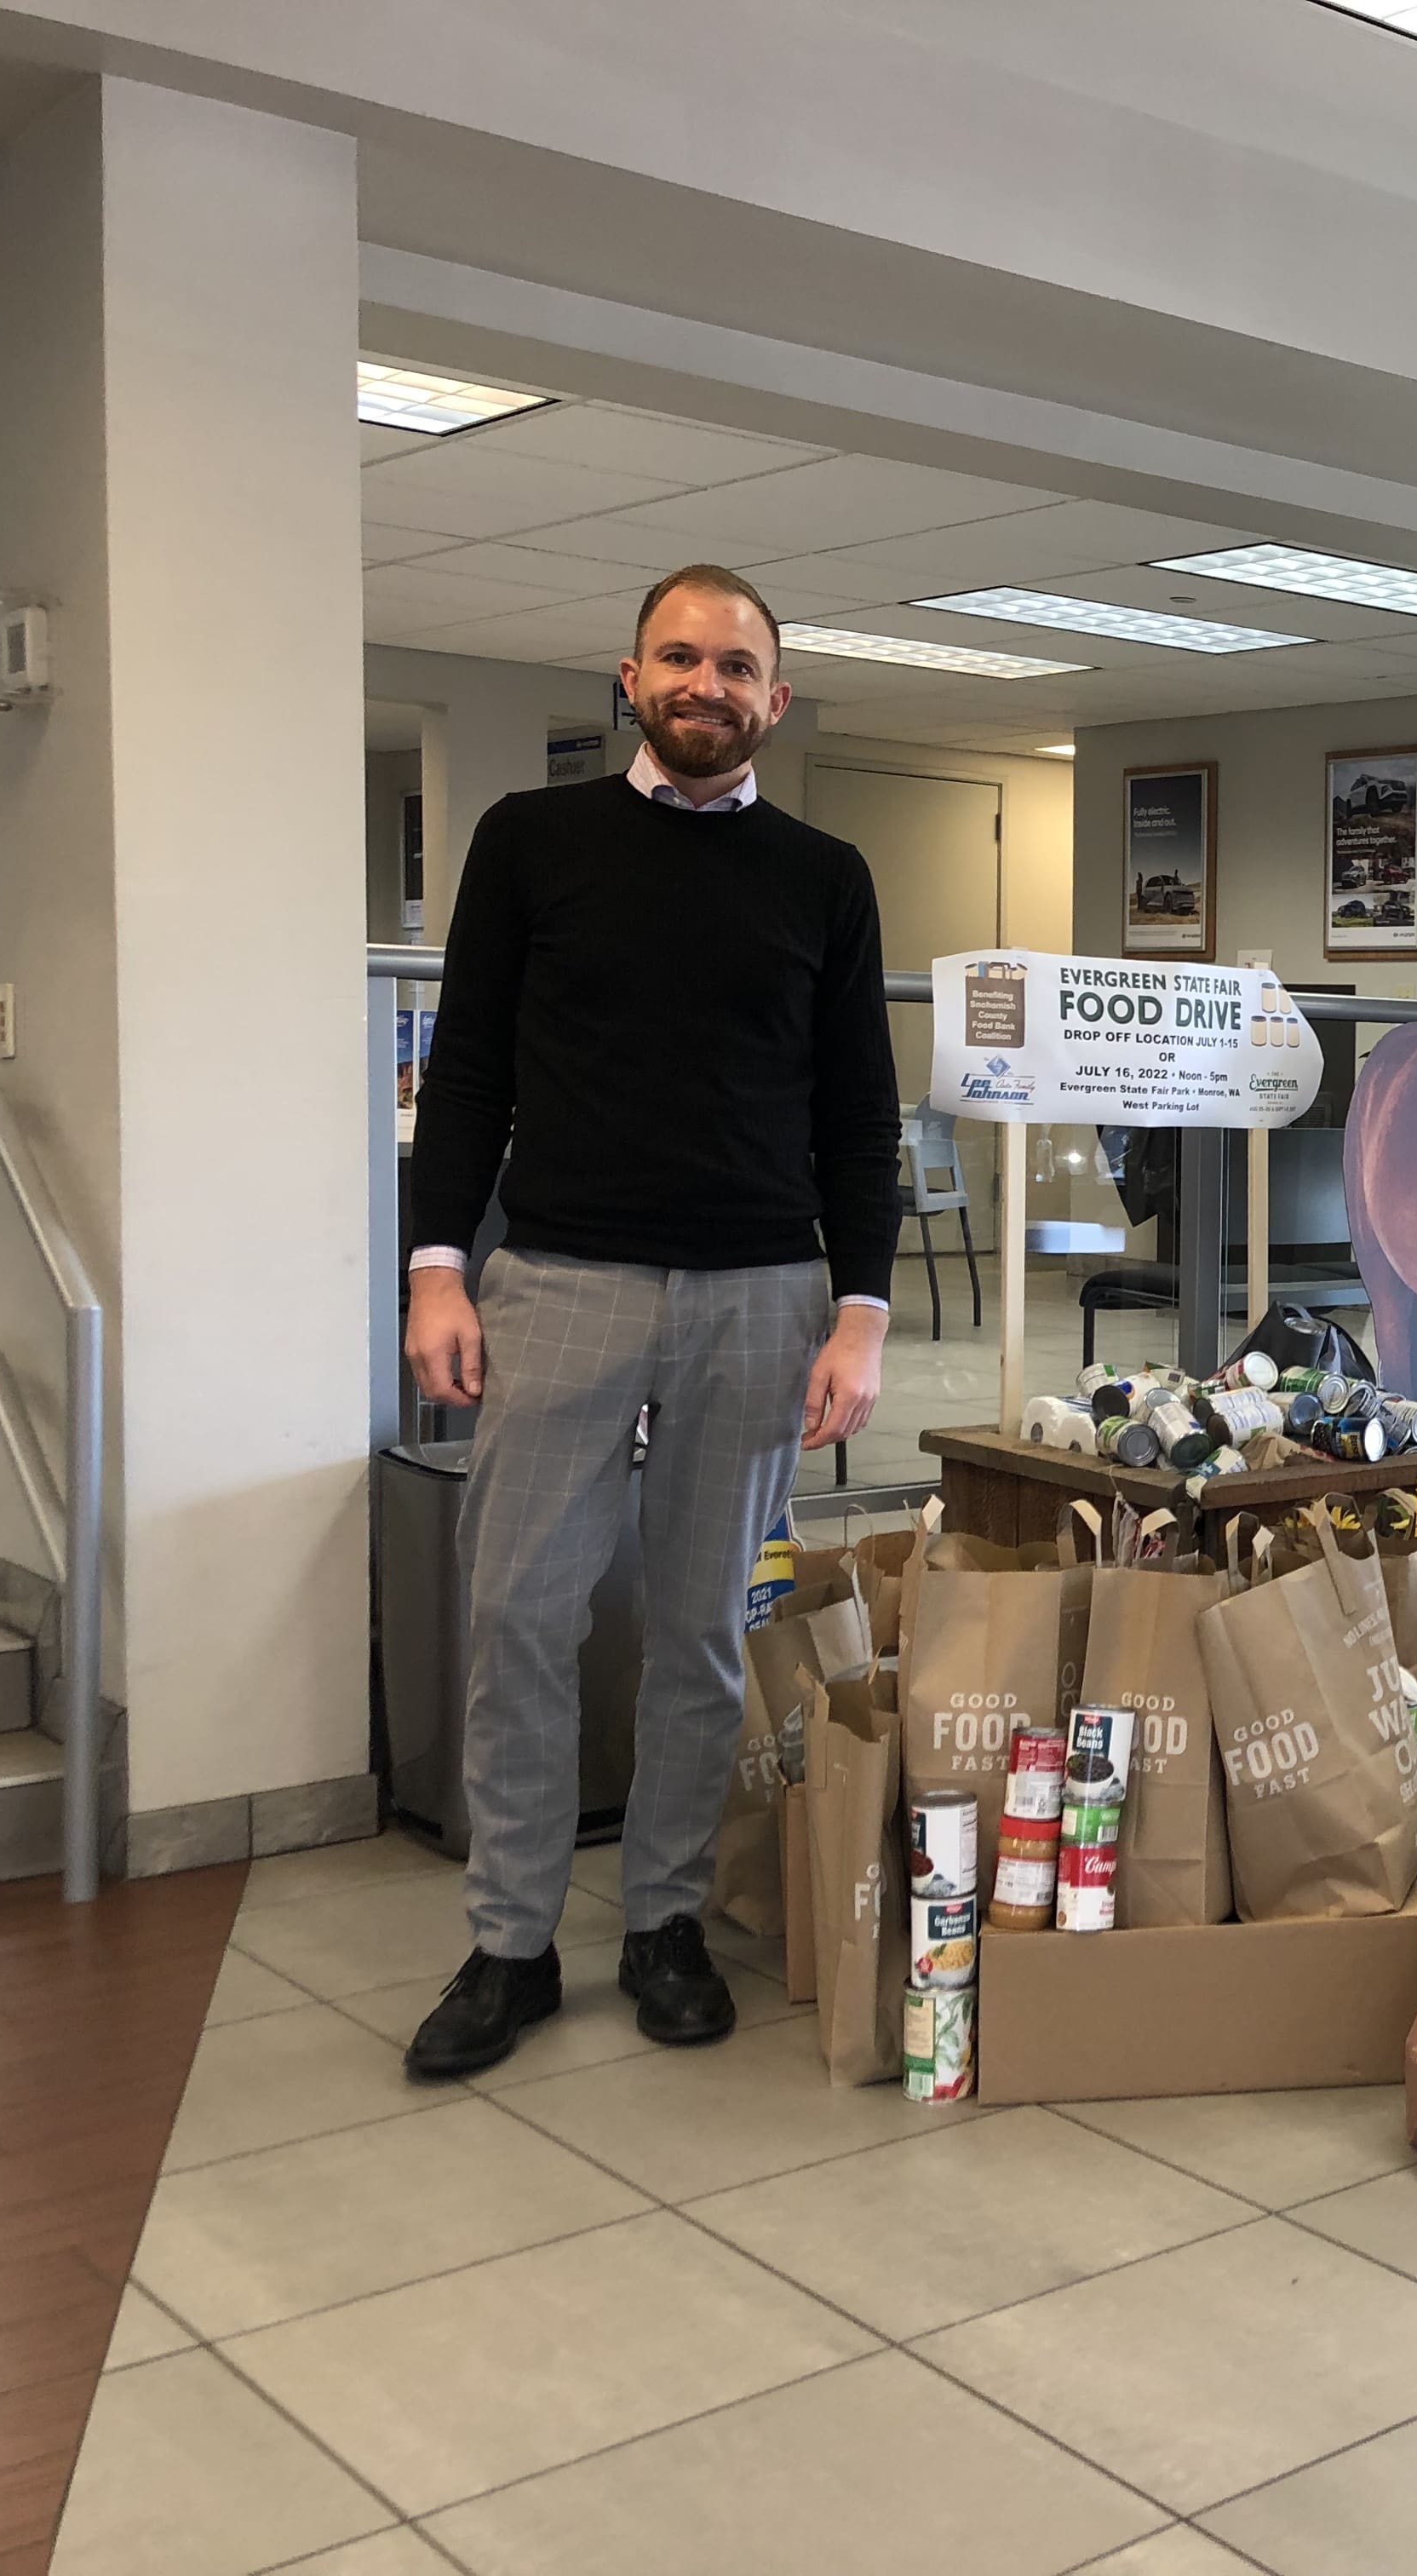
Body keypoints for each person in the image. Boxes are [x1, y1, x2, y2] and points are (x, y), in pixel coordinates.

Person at [399, 565, 900, 2079]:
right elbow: (469, 1067)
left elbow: (855, 1116)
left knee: (699, 1631)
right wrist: (436, 1264)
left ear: (775, 699)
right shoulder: (530, 842)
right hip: (558, 1279)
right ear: (630, 677)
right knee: (516, 1619)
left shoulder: (825, 877)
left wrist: (861, 1311)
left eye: (736, 666)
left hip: (762, 1295)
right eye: (680, 658)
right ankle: (510, 1943)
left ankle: (667, 1921)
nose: (707, 685)